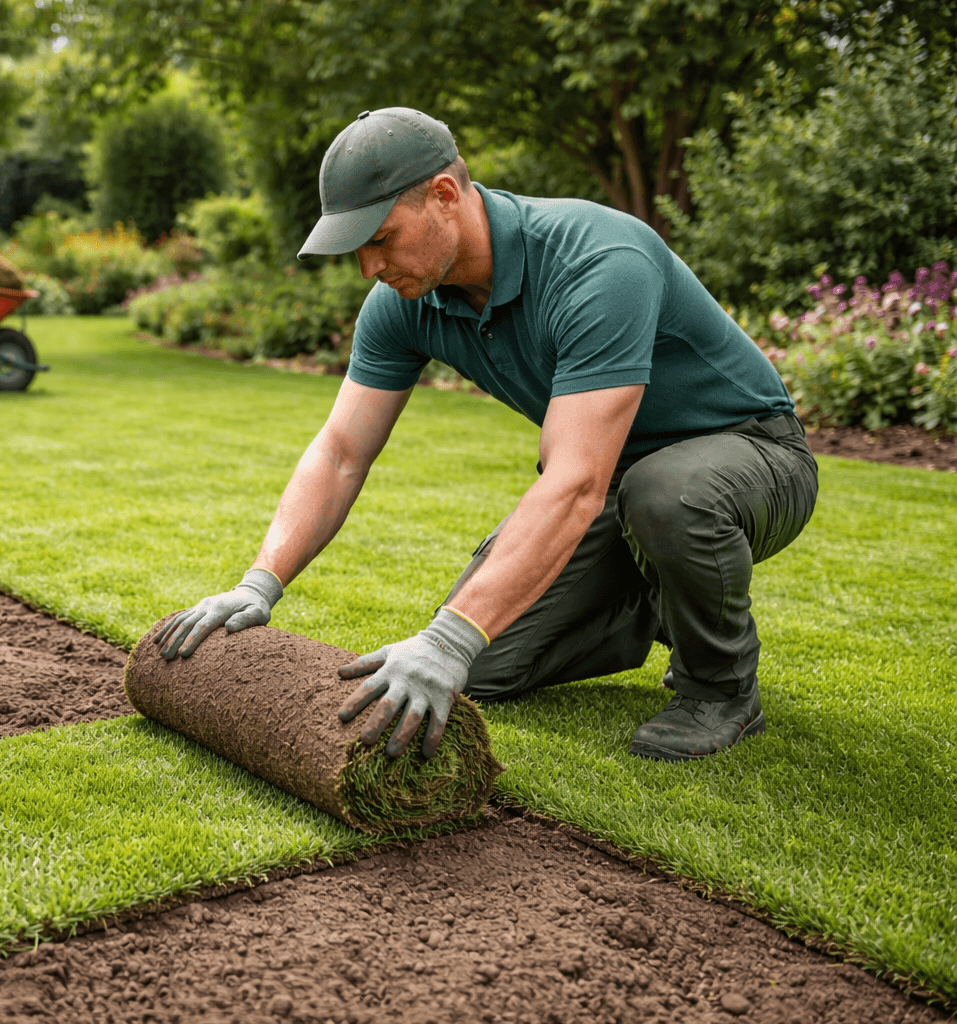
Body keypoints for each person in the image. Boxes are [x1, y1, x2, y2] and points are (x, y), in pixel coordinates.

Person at [157, 108, 818, 763]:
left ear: (445, 195)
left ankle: (720, 689)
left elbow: (576, 480)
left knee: (665, 495)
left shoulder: (596, 259)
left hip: (752, 460)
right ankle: (661, 595)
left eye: (381, 238)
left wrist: (445, 640)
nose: (367, 267)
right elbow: (340, 452)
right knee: (485, 666)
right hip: (620, 482)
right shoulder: (404, 304)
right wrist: (258, 584)